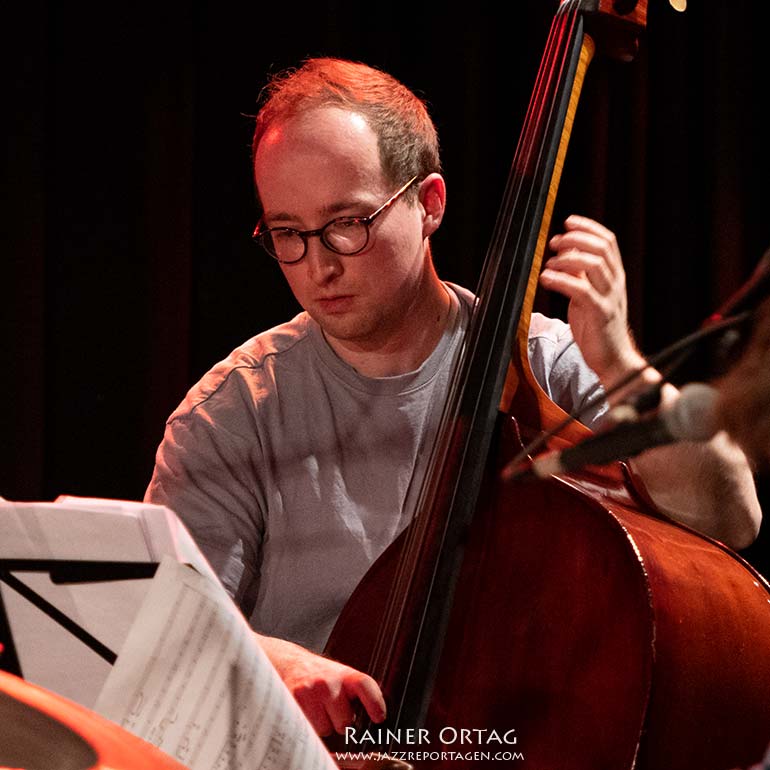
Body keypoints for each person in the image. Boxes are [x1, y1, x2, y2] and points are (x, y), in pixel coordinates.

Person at [145, 58, 762, 737]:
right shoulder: (233, 413)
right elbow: (164, 642)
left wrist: (618, 364)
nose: (319, 264)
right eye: (288, 234)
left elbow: (729, 515)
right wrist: (267, 657)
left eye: (348, 222)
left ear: (429, 202)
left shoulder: (542, 367)